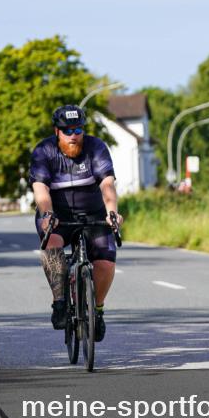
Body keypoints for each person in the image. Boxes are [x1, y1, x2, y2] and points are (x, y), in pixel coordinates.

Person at [29, 105, 123, 341]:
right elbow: (40, 190)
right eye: (67, 130)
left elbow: (107, 184)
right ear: (57, 131)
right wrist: (47, 214)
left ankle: (97, 310)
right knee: (51, 243)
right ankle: (59, 301)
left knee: (105, 263)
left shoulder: (96, 148)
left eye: (78, 129)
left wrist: (112, 212)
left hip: (93, 213)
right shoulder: (44, 151)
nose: (73, 135)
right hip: (57, 214)